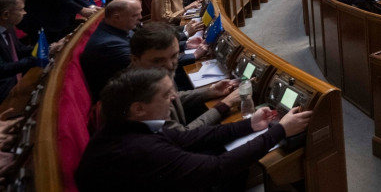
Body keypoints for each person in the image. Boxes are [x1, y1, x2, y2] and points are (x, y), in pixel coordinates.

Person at [74, 67, 312, 192]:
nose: (175, 98)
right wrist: (279, 131)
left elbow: (189, 137)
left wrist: (250, 124)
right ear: (138, 108)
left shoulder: (128, 125)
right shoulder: (139, 149)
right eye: (166, 95)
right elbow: (215, 169)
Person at [129, 23, 239, 130]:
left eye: (174, 56)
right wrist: (225, 104)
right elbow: (182, 137)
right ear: (134, 60)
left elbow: (174, 97)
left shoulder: (154, 73)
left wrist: (211, 91)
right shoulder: (136, 94)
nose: (169, 65)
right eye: (158, 60)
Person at [79, 0, 142, 101]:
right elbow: (146, 67)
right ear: (117, 18)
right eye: (135, 15)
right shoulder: (109, 45)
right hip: (126, 99)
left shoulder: (119, 29)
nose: (140, 17)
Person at [0, 0, 44, 101]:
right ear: (6, 15)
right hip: (4, 90)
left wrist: (45, 48)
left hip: (15, 81)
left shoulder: (8, 27)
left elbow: (19, 50)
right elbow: (2, 69)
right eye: (21, 10)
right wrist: (36, 59)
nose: (25, 13)